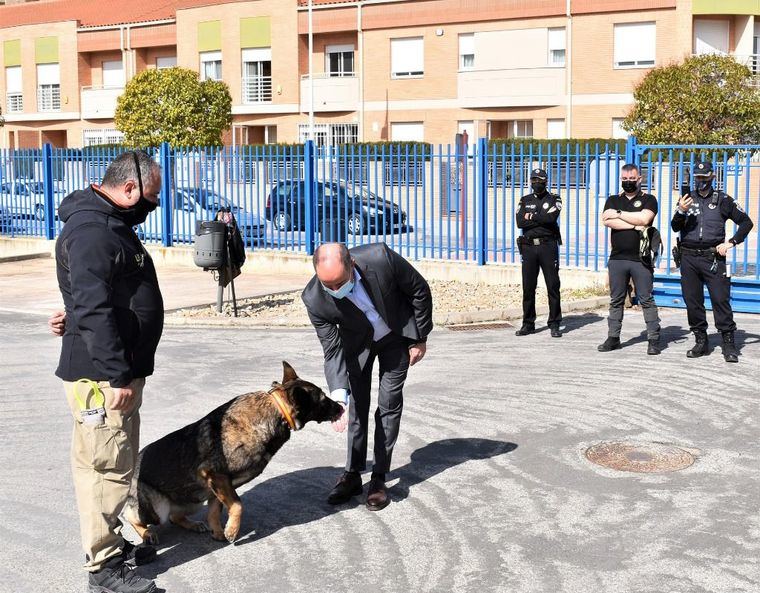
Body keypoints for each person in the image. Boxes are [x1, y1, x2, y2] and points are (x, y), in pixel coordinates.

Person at [51, 151, 163, 593]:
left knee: (114, 462)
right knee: (105, 468)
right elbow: (93, 308)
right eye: (150, 198)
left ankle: (113, 542)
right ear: (130, 189)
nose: (151, 207)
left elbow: (90, 295)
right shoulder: (94, 231)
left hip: (114, 373)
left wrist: (67, 315)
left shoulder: (108, 224)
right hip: (103, 379)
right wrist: (118, 375)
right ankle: (104, 571)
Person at [301, 242, 433, 511]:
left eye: (340, 283)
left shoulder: (380, 258)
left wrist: (419, 338)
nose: (336, 292)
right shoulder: (314, 298)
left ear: (351, 265)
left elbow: (419, 290)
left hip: (396, 338)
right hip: (356, 347)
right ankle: (352, 474)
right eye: (329, 286)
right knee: (355, 408)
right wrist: (338, 396)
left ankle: (379, 478)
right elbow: (332, 348)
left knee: (388, 405)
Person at [671, 161, 754, 362]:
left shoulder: (723, 200)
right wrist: (681, 210)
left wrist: (732, 242)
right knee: (692, 301)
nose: (701, 181)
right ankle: (701, 340)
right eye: (698, 177)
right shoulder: (686, 199)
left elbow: (746, 222)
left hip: (713, 258)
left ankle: (729, 344)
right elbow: (675, 226)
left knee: (720, 300)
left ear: (713, 177)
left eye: (705, 177)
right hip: (689, 257)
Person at [598, 163, 662, 355]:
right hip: (617, 258)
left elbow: (644, 219)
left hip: (640, 259)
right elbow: (606, 220)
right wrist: (633, 225)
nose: (628, 183)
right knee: (616, 300)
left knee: (646, 299)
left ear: (640, 179)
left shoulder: (649, 199)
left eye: (632, 179)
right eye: (624, 180)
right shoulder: (613, 199)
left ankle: (653, 339)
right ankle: (613, 338)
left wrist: (619, 215)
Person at [514, 168, 563, 338]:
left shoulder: (554, 198)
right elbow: (519, 222)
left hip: (547, 246)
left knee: (553, 286)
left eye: (540, 180)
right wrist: (537, 216)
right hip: (528, 248)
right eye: (534, 180)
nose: (537, 183)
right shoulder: (524, 199)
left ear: (546, 181)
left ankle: (555, 323)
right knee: (528, 287)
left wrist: (530, 217)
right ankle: (528, 324)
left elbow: (550, 219)